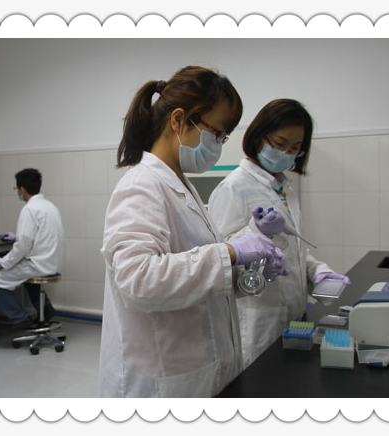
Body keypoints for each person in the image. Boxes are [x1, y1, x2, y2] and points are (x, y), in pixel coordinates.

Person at [98, 66, 286, 398]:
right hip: (160, 381)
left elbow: (193, 275)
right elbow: (137, 280)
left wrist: (244, 272)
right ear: (179, 120)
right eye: (218, 133)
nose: (220, 144)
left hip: (199, 370)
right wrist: (231, 253)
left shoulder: (181, 186)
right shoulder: (141, 185)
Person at [208, 99, 351, 368]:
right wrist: (255, 234)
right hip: (258, 322)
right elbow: (219, 256)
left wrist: (317, 271)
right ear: (258, 136)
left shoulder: (284, 188)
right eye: (279, 143)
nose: (286, 153)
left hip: (295, 316)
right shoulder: (233, 188)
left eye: (294, 148)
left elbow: (292, 248)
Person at [0, 168, 64, 330]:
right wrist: (17, 237)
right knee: (25, 277)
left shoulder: (29, 209)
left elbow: (22, 246)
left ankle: (20, 319)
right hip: (51, 262)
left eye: (17, 189)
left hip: (38, 264)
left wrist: (4, 262)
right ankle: (46, 309)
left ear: (22, 189)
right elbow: (41, 234)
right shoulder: (49, 206)